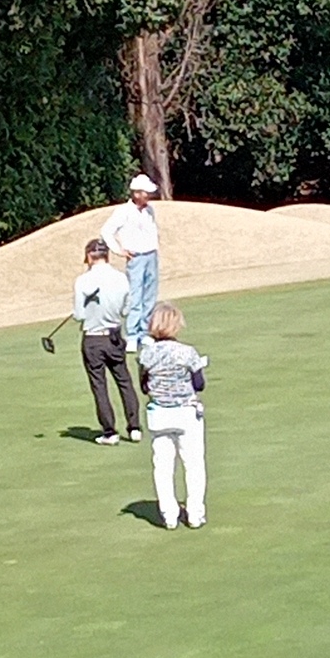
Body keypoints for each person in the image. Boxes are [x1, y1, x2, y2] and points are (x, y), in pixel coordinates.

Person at [138, 302, 207, 530]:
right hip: (186, 413)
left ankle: (169, 515)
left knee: (163, 467)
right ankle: (195, 514)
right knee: (193, 465)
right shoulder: (187, 352)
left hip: (159, 415)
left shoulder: (146, 354)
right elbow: (199, 384)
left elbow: (144, 386)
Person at [73, 239, 142, 445]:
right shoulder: (121, 278)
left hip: (93, 339)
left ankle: (110, 432)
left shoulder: (82, 281)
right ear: (107, 255)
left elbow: (79, 315)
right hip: (114, 336)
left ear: (89, 256)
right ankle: (134, 428)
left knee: (99, 385)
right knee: (124, 381)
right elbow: (125, 310)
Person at [100, 173, 160, 354]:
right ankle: (132, 335)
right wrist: (119, 250)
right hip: (136, 257)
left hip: (151, 255)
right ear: (136, 193)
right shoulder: (123, 211)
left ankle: (144, 332)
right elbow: (107, 231)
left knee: (149, 296)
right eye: (145, 192)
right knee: (135, 296)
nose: (148, 196)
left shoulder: (150, 210)